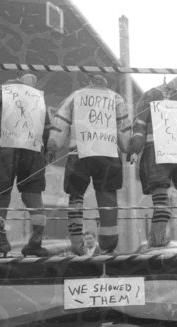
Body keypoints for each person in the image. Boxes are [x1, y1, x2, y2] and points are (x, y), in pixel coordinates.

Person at [47, 74, 131, 255]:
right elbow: (123, 125)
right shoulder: (116, 98)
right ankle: (109, 240)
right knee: (107, 194)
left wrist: (54, 143)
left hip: (79, 152)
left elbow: (61, 120)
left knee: (75, 194)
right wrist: (128, 147)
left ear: (90, 82)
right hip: (108, 153)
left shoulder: (76, 96)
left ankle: (76, 240)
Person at [0, 73, 51, 257]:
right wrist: (46, 153)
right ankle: (36, 242)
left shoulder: (3, 90)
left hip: (6, 149)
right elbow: (47, 129)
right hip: (34, 153)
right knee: (33, 196)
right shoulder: (39, 98)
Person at [128, 75, 177, 253]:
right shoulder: (157, 96)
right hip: (164, 150)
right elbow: (140, 124)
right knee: (172, 198)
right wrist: (135, 148)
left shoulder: (165, 97)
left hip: (176, 150)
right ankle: (160, 238)